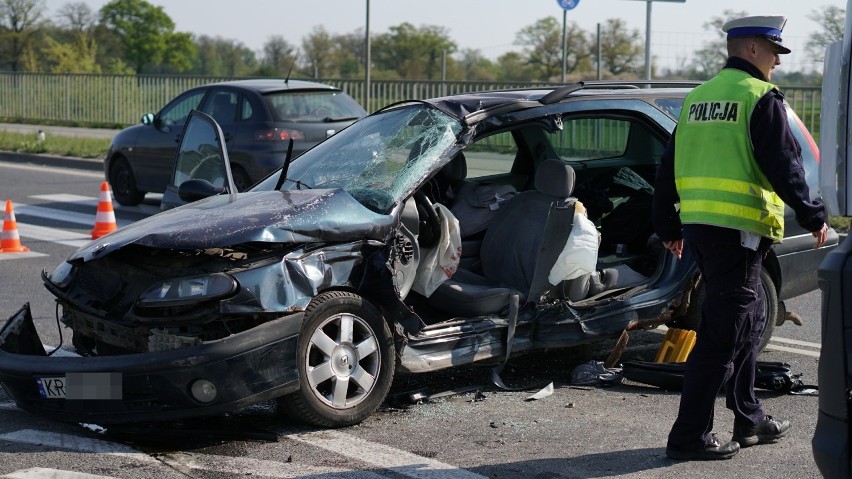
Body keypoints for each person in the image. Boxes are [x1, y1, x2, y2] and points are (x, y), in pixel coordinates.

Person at [651, 15, 829, 461]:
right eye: (774, 52)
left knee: (745, 323)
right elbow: (783, 165)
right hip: (739, 233)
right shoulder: (758, 97)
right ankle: (689, 436)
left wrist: (668, 225)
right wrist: (812, 213)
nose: (777, 62)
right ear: (751, 50)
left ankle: (750, 419)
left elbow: (667, 167)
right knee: (722, 335)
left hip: (702, 231)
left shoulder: (697, 99)